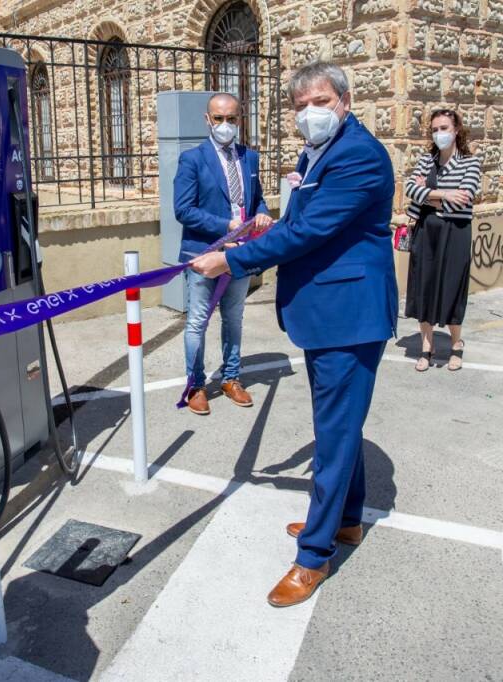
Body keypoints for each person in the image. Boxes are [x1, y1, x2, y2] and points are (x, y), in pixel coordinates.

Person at [190, 62, 397, 606]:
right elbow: (296, 223)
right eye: (300, 105)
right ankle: (346, 520)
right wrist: (245, 244)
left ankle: (314, 556)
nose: (310, 113)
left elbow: (309, 231)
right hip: (327, 313)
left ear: (345, 103)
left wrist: (232, 264)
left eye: (321, 102)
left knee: (332, 435)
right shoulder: (319, 152)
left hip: (348, 315)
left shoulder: (357, 156)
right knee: (338, 426)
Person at [173, 92, 274, 415]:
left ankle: (231, 378)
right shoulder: (193, 159)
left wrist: (262, 214)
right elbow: (183, 210)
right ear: (208, 120)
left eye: (232, 118)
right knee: (198, 322)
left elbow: (256, 199)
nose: (226, 125)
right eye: (219, 119)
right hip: (204, 254)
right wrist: (225, 226)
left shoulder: (250, 158)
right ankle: (196, 385)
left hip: (240, 255)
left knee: (234, 319)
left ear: (240, 119)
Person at [404, 109, 482, 371]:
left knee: (452, 287)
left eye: (444, 128)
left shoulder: (471, 162)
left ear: (457, 130)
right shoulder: (428, 160)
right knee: (423, 285)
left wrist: (428, 194)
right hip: (427, 230)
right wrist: (444, 195)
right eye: (435, 129)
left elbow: (465, 195)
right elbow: (409, 189)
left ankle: (456, 344)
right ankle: (427, 346)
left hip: (455, 231)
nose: (440, 134)